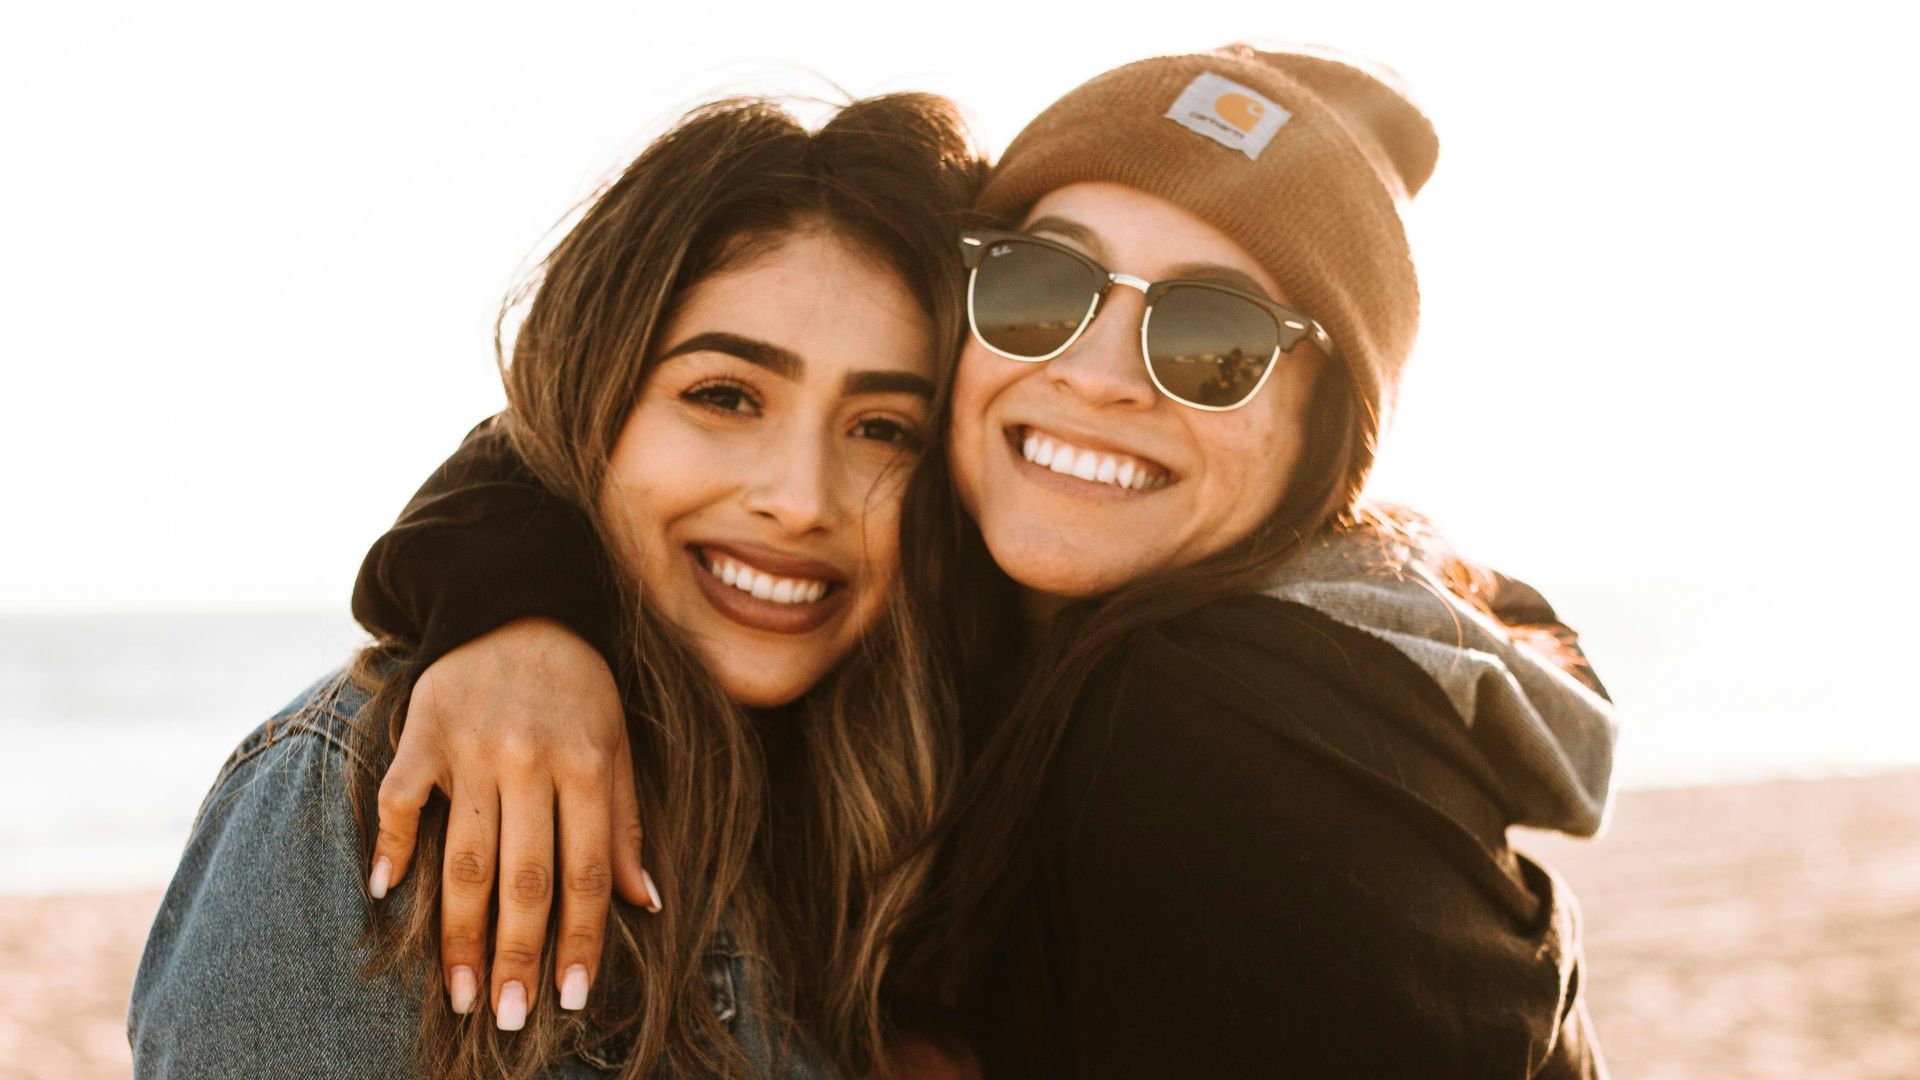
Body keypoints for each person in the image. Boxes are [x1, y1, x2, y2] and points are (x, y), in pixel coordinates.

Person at [345, 45, 1618, 1077]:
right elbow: (599, 414)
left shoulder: (1223, 722)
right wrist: (520, 610)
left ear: (1324, 436)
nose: (1099, 375)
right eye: (1040, 290)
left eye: (1214, 339)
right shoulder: (991, 605)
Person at [127, 92, 983, 1079]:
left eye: (883, 429)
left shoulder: (907, 812)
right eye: (723, 396)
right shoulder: (375, 792)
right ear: (590, 403)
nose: (800, 501)